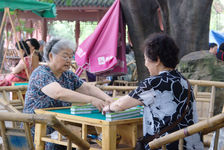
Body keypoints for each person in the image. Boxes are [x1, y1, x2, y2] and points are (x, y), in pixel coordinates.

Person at [103, 33, 204, 150]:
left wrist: (108, 107)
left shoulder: (154, 83)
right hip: (191, 145)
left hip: (166, 146)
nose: (145, 64)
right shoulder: (184, 80)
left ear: (157, 60)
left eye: (146, 59)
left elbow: (120, 105)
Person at [23, 38, 113, 150]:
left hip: (60, 126)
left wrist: (107, 98)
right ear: (51, 56)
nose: (69, 60)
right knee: (79, 138)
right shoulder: (41, 73)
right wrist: (92, 100)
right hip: (38, 127)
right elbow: (58, 93)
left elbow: (87, 88)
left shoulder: (68, 75)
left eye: (70, 57)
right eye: (65, 56)